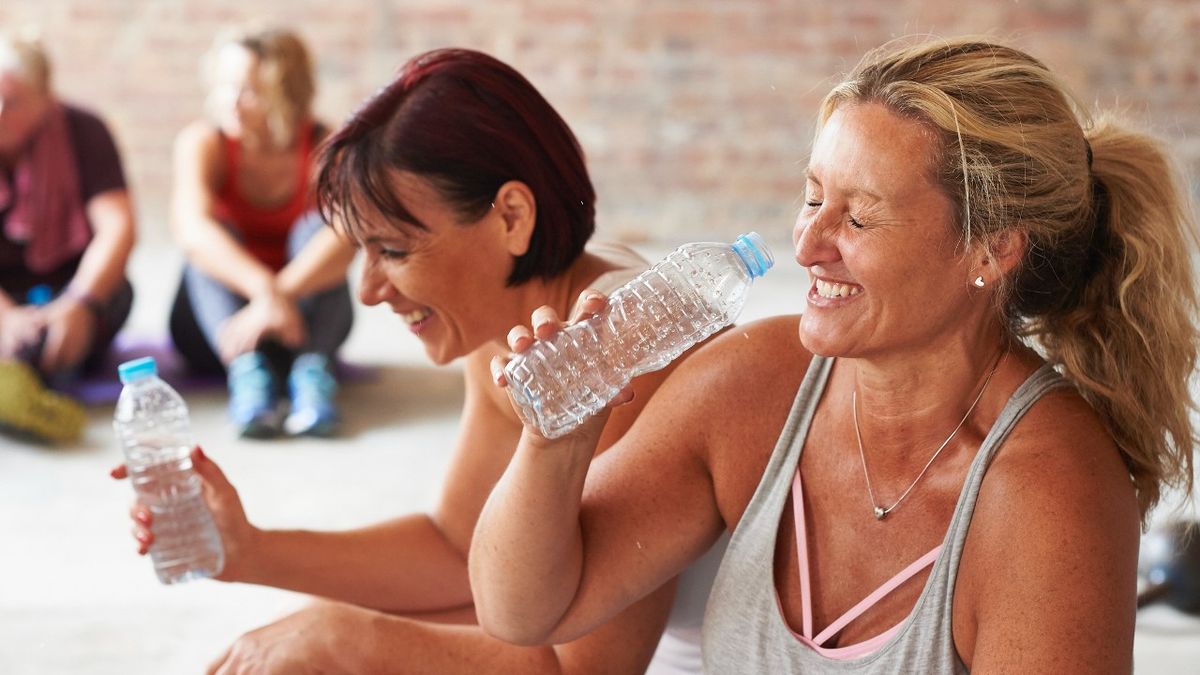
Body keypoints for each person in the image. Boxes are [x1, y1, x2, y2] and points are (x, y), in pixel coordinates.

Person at [470, 37, 1200, 674]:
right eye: (812, 196)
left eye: (858, 215)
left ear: (991, 248)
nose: (808, 245)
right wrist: (553, 447)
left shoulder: (1048, 494)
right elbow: (526, 608)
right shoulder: (755, 381)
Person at [115, 48, 724, 674]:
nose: (368, 290)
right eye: (364, 252)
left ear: (511, 217)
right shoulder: (507, 315)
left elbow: (583, 668)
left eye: (394, 250)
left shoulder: (619, 341)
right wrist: (248, 552)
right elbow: (457, 548)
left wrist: (344, 642)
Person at [167, 27, 355, 438]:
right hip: (222, 331)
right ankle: (249, 378)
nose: (230, 102)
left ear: (286, 93)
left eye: (249, 91)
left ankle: (312, 378)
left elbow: (347, 240)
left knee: (317, 228)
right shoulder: (204, 142)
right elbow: (190, 229)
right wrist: (265, 292)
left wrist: (280, 295)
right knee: (209, 241)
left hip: (301, 326)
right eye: (225, 88)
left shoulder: (326, 144)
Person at [0, 31, 135, 443]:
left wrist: (78, 303)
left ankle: (25, 370)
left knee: (117, 295)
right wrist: (4, 316)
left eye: (13, 102)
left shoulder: (84, 131)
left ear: (46, 98)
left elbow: (118, 227)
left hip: (66, 288)